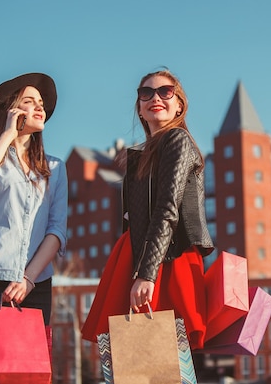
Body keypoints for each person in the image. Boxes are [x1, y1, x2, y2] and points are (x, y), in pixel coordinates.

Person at [81, 69, 214, 349]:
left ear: (179, 104)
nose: (155, 97)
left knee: (163, 358)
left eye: (165, 91)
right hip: (137, 254)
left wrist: (146, 274)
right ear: (140, 109)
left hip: (167, 258)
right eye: (146, 93)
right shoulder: (140, 155)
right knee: (137, 357)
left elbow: (168, 209)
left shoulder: (177, 140)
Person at [0, 72, 67, 326]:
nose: (39, 106)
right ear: (10, 110)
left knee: (33, 366)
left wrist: (28, 278)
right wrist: (7, 135)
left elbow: (56, 230)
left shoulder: (56, 167)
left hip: (36, 284)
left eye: (41, 102)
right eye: (29, 101)